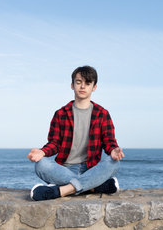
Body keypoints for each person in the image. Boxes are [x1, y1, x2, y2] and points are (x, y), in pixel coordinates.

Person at [27, 65, 124, 201]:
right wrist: (42, 152)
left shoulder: (102, 114)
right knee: (41, 164)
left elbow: (109, 140)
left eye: (87, 83)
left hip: (91, 168)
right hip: (65, 169)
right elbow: (55, 143)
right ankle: (94, 186)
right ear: (72, 85)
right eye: (79, 82)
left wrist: (113, 150)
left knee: (114, 163)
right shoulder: (61, 113)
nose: (82, 87)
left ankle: (62, 190)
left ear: (94, 87)